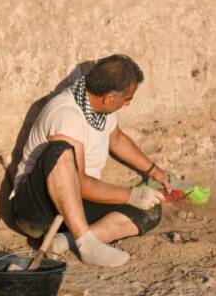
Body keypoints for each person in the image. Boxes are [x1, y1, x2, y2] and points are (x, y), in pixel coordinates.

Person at [10, 55, 168, 267]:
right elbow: (80, 183)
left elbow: (116, 139)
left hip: (74, 206)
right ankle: (85, 243)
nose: (128, 103)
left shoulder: (99, 106)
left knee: (150, 210)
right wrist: (131, 195)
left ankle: (63, 241)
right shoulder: (66, 114)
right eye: (127, 98)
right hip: (37, 208)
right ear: (110, 97)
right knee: (60, 150)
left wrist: (154, 171)